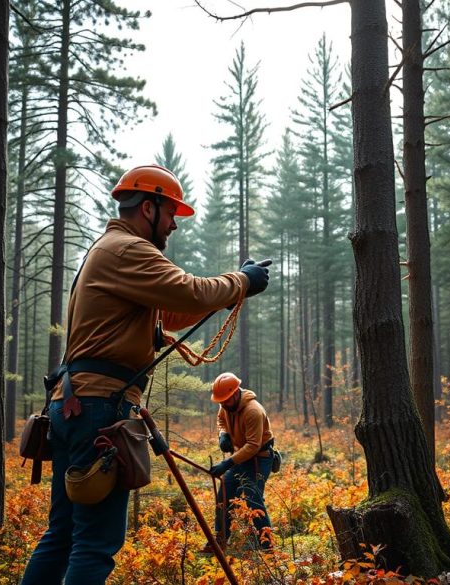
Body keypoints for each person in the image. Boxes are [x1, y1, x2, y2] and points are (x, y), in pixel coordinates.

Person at [22, 164, 271, 585]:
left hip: (75, 405)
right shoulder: (127, 250)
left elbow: (173, 310)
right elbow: (188, 290)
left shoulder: (109, 251)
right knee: (94, 543)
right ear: (149, 207)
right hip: (100, 409)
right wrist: (240, 281)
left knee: (64, 534)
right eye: (171, 212)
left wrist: (231, 290)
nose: (174, 224)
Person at [206, 371, 276, 552]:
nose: (222, 404)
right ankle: (219, 540)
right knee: (224, 495)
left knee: (253, 498)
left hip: (259, 459)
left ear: (236, 392)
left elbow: (253, 445)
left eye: (225, 400)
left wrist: (227, 463)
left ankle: (267, 546)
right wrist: (223, 435)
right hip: (241, 458)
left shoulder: (253, 411)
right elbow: (221, 420)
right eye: (220, 401)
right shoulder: (226, 405)